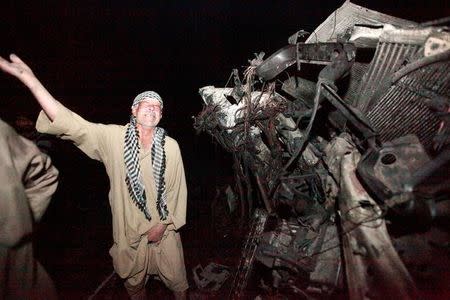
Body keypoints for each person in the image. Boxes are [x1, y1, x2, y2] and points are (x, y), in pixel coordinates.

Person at [0, 54, 188, 300]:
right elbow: (74, 125)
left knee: (179, 285)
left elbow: (177, 190)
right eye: (146, 104)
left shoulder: (171, 146)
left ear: (161, 115)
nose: (152, 109)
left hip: (166, 232)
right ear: (134, 110)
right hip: (130, 238)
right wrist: (33, 82)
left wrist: (163, 226)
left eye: (157, 107)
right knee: (136, 288)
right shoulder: (114, 139)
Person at [0, 118, 59, 299]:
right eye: (19, 119)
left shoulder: (39, 134)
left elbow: (45, 167)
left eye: (25, 119)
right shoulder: (17, 134)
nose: (21, 121)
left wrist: (22, 217)